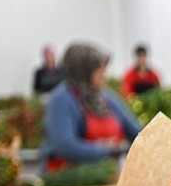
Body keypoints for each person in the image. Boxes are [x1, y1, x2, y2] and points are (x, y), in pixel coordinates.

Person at [43, 42, 142, 171]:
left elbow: (137, 132)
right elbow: (65, 145)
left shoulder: (107, 97)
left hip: (105, 175)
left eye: (104, 69)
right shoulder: (61, 99)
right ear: (83, 72)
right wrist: (106, 150)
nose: (104, 75)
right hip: (68, 176)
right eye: (99, 70)